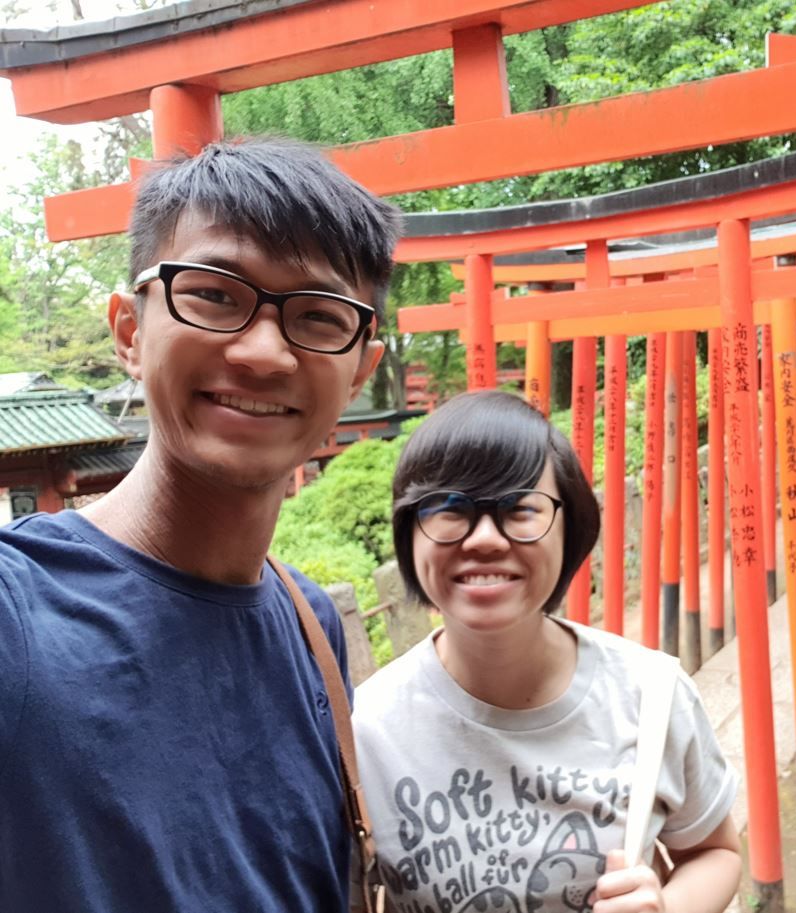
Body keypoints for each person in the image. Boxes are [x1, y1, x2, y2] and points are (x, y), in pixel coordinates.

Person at [0, 138, 400, 912]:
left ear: (359, 367)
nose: (262, 351)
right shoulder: (20, 614)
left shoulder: (311, 625)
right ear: (128, 331)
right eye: (216, 295)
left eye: (319, 316)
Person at [353, 391, 742, 913]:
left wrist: (669, 908)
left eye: (520, 509)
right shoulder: (364, 730)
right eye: (449, 509)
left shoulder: (651, 697)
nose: (485, 539)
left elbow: (714, 853)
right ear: (409, 534)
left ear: (570, 531)